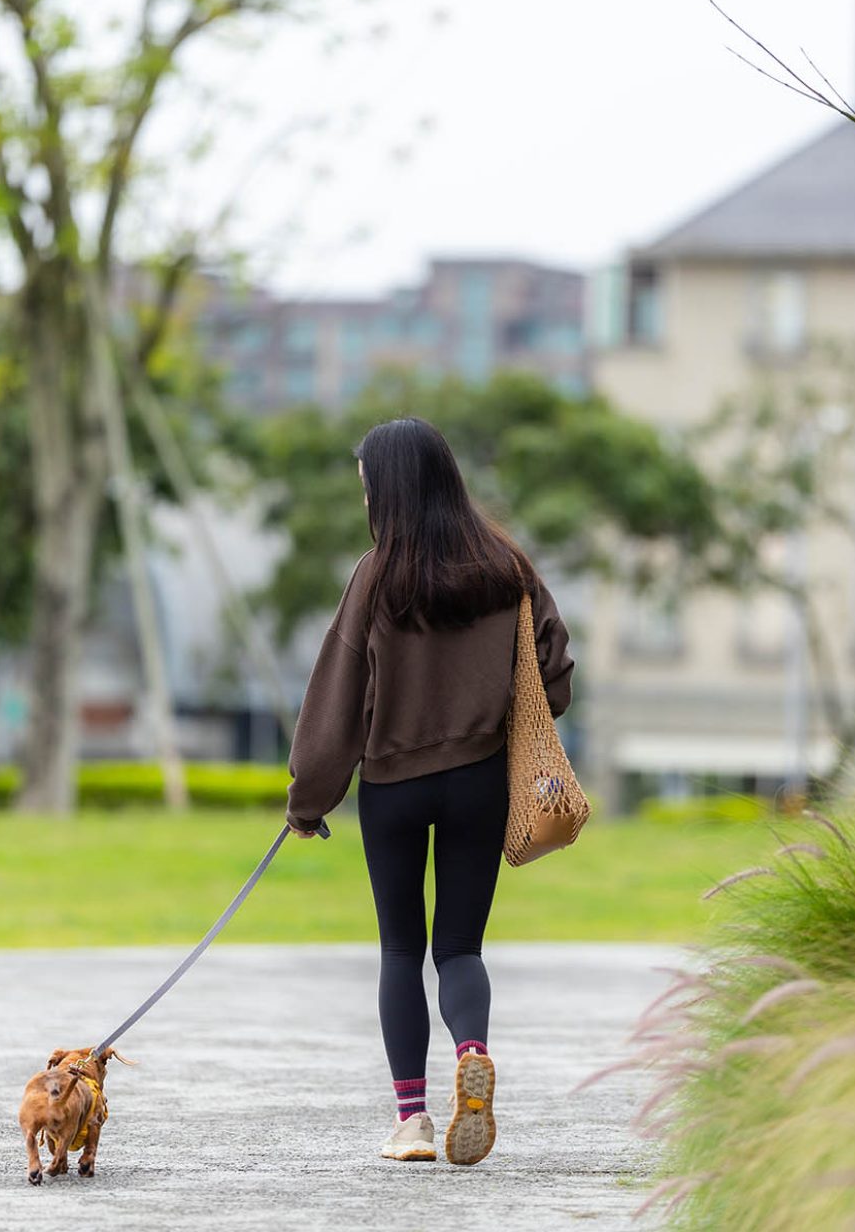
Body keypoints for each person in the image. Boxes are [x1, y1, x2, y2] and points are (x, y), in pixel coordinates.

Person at [284, 416, 574, 1166]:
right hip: (480, 784)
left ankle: (410, 1124)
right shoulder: (506, 568)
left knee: (398, 951)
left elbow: (338, 698)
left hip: (393, 790)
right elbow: (556, 676)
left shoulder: (376, 574)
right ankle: (471, 1049)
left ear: (390, 487)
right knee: (458, 949)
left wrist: (308, 799)